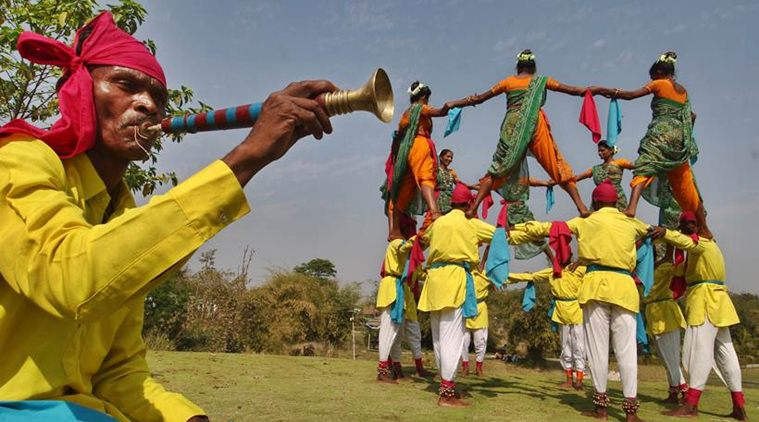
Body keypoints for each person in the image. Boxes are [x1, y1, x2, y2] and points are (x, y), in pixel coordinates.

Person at [0, 13, 337, 422]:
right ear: (80, 90)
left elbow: (117, 372)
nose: (147, 104)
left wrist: (188, 418)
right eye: (125, 85)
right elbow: (72, 279)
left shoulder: (122, 215)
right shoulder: (19, 161)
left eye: (157, 97)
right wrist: (248, 156)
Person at [514, 180, 651, 422]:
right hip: (624, 287)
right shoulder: (631, 223)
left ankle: (601, 409)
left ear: (596, 201)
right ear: (615, 202)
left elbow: (550, 229)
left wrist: (517, 230)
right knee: (626, 351)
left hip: (596, 285)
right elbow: (653, 233)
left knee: (597, 350)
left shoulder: (586, 221)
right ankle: (631, 412)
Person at [417, 182, 531, 407]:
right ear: (470, 203)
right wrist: (531, 233)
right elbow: (501, 236)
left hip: (434, 281)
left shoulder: (438, 223)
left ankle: (445, 384)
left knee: (440, 338)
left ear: (451, 203)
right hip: (455, 278)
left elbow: (421, 241)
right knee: (452, 337)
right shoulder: (472, 223)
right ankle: (447, 393)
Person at [446, 49, 590, 219]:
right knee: (557, 165)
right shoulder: (542, 81)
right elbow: (572, 90)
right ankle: (581, 207)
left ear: (517, 66)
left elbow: (480, 98)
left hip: (511, 127)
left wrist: (456, 103)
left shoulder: (507, 82)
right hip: (536, 125)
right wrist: (592, 91)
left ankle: (473, 208)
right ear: (534, 66)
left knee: (498, 167)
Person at [590, 51, 711, 238]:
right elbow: (691, 116)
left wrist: (605, 91)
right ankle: (704, 228)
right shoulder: (684, 92)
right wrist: (681, 134)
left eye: (652, 75)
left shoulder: (659, 83)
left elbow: (630, 95)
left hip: (660, 135)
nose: (651, 79)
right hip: (678, 143)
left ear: (660, 72)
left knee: (643, 167)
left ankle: (631, 208)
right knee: (686, 185)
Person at [651, 212, 748, 420]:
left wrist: (666, 233)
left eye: (692, 224)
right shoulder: (701, 249)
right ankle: (739, 406)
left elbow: (686, 245)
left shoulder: (703, 244)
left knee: (698, 352)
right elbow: (677, 270)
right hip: (718, 304)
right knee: (726, 353)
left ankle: (691, 405)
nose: (688, 228)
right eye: (684, 225)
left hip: (705, 302)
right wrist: (668, 244)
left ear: (700, 225)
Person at [382, 81, 450, 240]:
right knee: (426, 177)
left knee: (405, 190)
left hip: (406, 152)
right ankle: (434, 212)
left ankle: (395, 231)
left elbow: (399, 135)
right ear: (424, 97)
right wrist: (453, 105)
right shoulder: (420, 108)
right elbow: (440, 112)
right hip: (419, 145)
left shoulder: (406, 113)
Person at [509, 261, 587, 390]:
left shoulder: (579, 268)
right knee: (565, 346)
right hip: (561, 312)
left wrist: (579, 262)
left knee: (579, 346)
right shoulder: (552, 271)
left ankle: (579, 380)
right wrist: (505, 276)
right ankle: (568, 379)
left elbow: (594, 265)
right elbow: (531, 276)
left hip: (577, 311)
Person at [644, 244, 688, 403]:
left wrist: (671, 244)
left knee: (671, 357)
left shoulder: (664, 266)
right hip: (653, 313)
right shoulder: (643, 271)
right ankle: (676, 390)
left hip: (665, 312)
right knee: (666, 358)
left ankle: (680, 390)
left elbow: (675, 264)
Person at [375, 238, 414, 383]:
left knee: (397, 335)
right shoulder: (397, 242)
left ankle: (396, 368)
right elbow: (405, 248)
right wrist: (421, 236)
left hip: (397, 288)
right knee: (388, 331)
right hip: (392, 288)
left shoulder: (400, 242)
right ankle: (382, 370)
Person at [572, 140, 635, 211]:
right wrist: (563, 180)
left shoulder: (620, 162)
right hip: (599, 200)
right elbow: (577, 178)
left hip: (617, 200)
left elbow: (635, 165)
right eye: (598, 151)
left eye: (602, 150)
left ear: (611, 150)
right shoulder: (595, 168)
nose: (599, 153)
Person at [460, 262, 491, 377]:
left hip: (480, 309)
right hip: (466, 307)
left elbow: (505, 277)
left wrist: (528, 277)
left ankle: (479, 367)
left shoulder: (486, 275)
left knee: (480, 341)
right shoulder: (464, 272)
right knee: (463, 340)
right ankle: (465, 366)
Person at [436, 148, 476, 215]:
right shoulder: (435, 170)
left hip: (450, 200)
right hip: (438, 199)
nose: (450, 159)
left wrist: (474, 187)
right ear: (441, 157)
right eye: (448, 156)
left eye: (451, 157)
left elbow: (460, 184)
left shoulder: (451, 172)